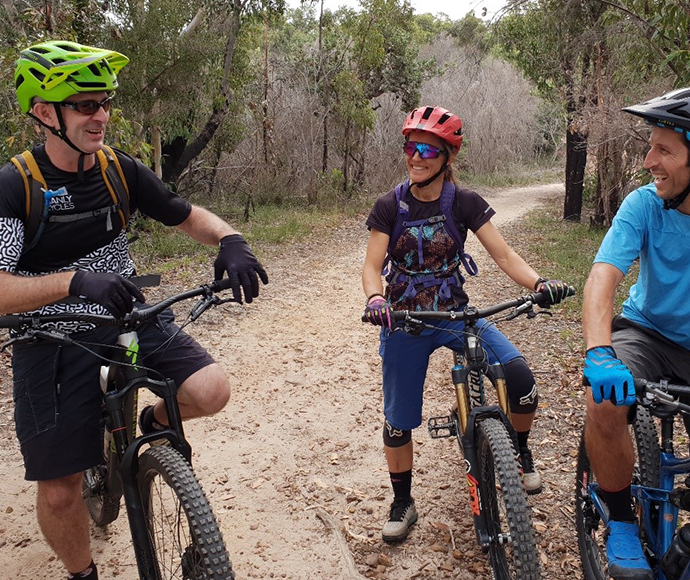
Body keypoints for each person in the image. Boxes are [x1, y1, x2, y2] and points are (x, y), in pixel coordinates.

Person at [0, 40, 268, 580]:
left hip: (126, 316)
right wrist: (73, 281)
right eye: (84, 104)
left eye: (103, 103)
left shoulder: (116, 169)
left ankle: (148, 424)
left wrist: (230, 239)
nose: (100, 115)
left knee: (210, 389)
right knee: (58, 492)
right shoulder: (15, 186)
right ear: (44, 113)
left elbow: (186, 215)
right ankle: (83, 573)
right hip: (50, 336)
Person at [361, 105, 568, 543]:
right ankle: (404, 500)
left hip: (456, 315)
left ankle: (521, 452)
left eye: (426, 150)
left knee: (520, 379)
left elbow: (504, 255)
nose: (415, 157)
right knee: (398, 420)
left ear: (446, 158)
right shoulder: (389, 205)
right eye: (409, 147)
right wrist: (376, 297)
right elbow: (371, 265)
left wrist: (540, 282)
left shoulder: (465, 202)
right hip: (405, 320)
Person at [582, 87, 690, 580]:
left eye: (664, 150)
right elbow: (603, 277)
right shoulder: (643, 205)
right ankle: (621, 523)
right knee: (603, 399)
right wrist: (600, 351)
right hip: (647, 333)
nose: (649, 161)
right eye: (650, 146)